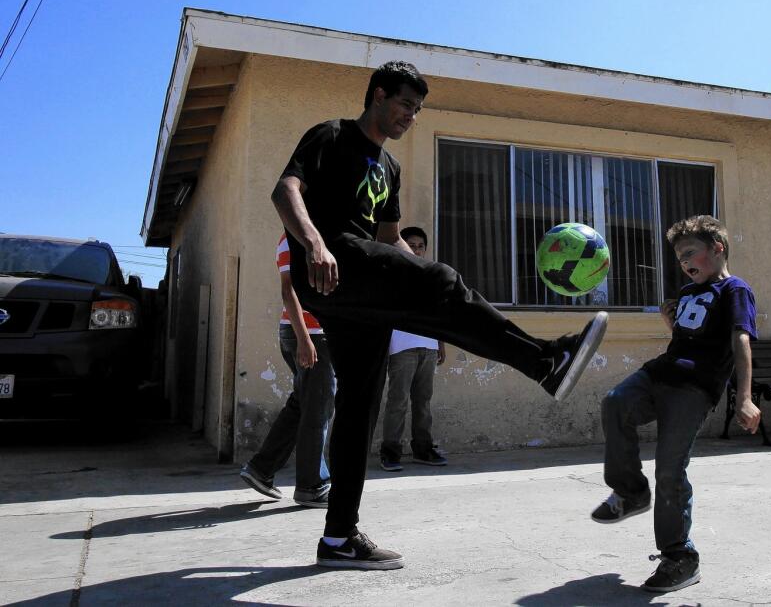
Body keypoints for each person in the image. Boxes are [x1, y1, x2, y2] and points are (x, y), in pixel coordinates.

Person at [272, 60, 607, 570]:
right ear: (379, 95)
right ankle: (544, 362)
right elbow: (285, 190)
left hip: (360, 287)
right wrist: (315, 244)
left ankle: (338, 538)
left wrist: (428, 272)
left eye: (418, 109)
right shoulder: (332, 136)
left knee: (360, 405)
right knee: (441, 283)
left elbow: (389, 242)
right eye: (406, 104)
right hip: (329, 263)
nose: (412, 115)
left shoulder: (391, 169)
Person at [590, 215, 760, 594]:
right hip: (659, 374)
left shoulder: (735, 290)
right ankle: (631, 492)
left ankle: (680, 558)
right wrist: (672, 324)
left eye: (690, 253)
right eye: (679, 258)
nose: (684, 262)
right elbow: (688, 340)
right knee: (615, 403)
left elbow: (740, 342)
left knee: (669, 469)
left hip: (693, 390)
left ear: (717, 248)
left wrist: (745, 398)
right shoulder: (685, 292)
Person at [239, 233, 336, 508]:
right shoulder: (293, 240)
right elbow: (287, 289)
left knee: (303, 404)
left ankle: (261, 469)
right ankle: (312, 485)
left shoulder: (318, 236)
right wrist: (304, 338)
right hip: (310, 334)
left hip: (313, 333)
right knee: (318, 410)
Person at [380, 225, 448, 471]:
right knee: (398, 400)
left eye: (421, 246)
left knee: (423, 401)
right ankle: (390, 451)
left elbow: (437, 313)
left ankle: (423, 448)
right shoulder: (392, 273)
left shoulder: (431, 275)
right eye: (412, 245)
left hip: (428, 346)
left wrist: (440, 342)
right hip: (402, 347)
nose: (416, 250)